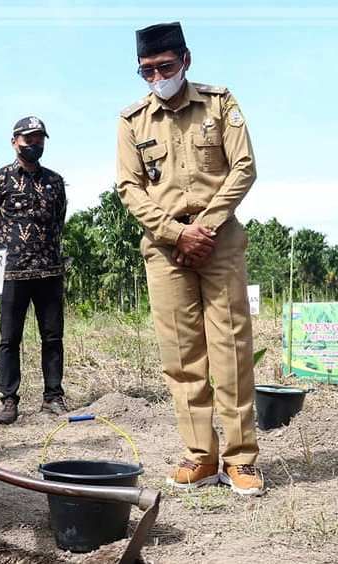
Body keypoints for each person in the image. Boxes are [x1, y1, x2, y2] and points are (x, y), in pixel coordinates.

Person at [116, 22, 263, 496]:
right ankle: (201, 457)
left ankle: (241, 460)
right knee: (181, 356)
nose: (156, 77)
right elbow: (130, 188)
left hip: (218, 242)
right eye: (146, 71)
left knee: (231, 349)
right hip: (165, 249)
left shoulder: (220, 104)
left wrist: (206, 227)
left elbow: (244, 168)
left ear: (186, 60)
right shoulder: (131, 120)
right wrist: (177, 232)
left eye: (164, 66)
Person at [0, 116, 68, 425]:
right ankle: (8, 400)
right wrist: (6, 255)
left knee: (53, 337)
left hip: (49, 272)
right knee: (9, 339)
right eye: (27, 139)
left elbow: (59, 220)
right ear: (14, 141)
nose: (33, 144)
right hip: (12, 274)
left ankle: (53, 396)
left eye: (39, 139)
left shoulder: (55, 181)